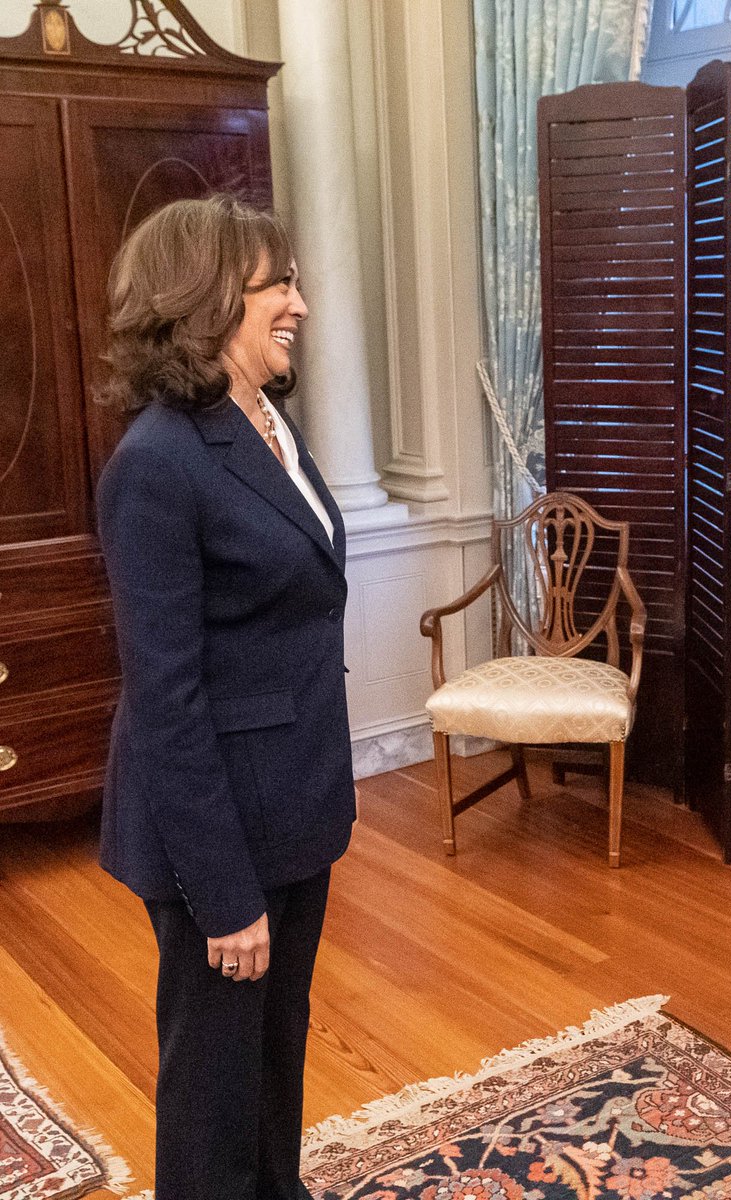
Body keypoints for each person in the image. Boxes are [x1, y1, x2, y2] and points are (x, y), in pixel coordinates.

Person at [96, 194, 356, 1200]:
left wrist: (331, 780)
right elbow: (166, 702)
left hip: (290, 808)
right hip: (219, 836)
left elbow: (289, 633)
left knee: (271, 1062)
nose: (299, 301)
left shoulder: (264, 423)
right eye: (277, 283)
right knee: (212, 1096)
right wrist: (225, 894)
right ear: (204, 303)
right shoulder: (155, 464)